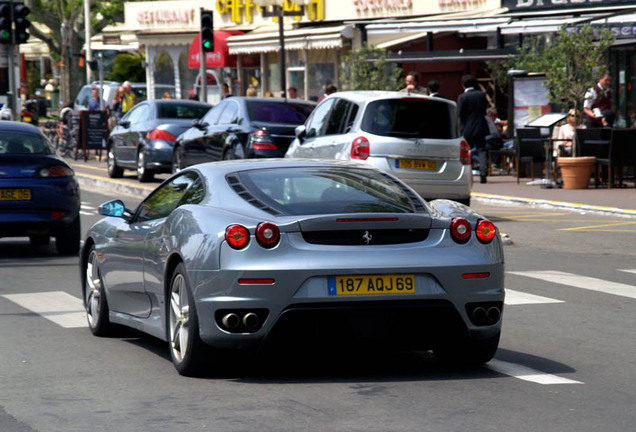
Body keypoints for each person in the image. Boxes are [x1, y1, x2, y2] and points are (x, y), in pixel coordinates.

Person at [457, 74, 489, 184]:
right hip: (480, 126)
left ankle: (467, 174)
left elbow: (460, 114)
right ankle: (483, 173)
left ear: (462, 85)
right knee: (481, 149)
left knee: (466, 151)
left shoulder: (462, 97)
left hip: (467, 128)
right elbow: (484, 111)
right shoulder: (481, 95)